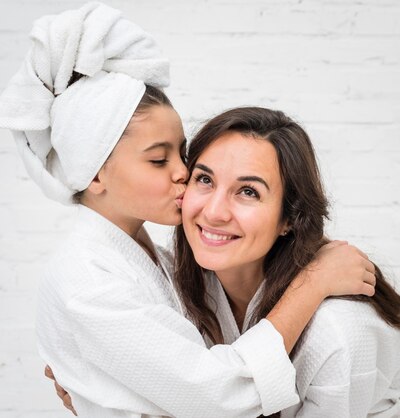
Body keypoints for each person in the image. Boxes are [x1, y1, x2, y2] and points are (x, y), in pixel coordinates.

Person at [0, 4, 375, 417]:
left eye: (182, 153)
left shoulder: (158, 260)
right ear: (94, 174)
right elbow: (220, 396)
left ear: (291, 214)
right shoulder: (88, 282)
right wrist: (313, 284)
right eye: (159, 160)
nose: (185, 172)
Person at [177, 107, 400, 417]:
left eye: (248, 191)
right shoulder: (186, 285)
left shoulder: (338, 331)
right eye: (204, 179)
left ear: (289, 218)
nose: (215, 212)